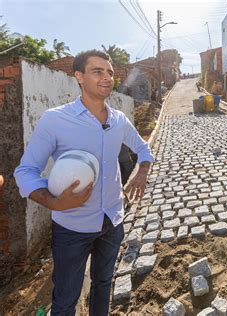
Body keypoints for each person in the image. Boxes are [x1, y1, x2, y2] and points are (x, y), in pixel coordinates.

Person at [14, 50, 153, 315]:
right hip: (71, 228)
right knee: (66, 299)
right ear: (79, 76)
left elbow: (144, 149)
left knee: (103, 284)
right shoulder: (55, 120)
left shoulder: (119, 120)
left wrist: (142, 172)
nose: (107, 78)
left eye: (110, 72)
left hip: (112, 221)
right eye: (97, 71)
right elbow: (26, 171)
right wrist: (53, 202)